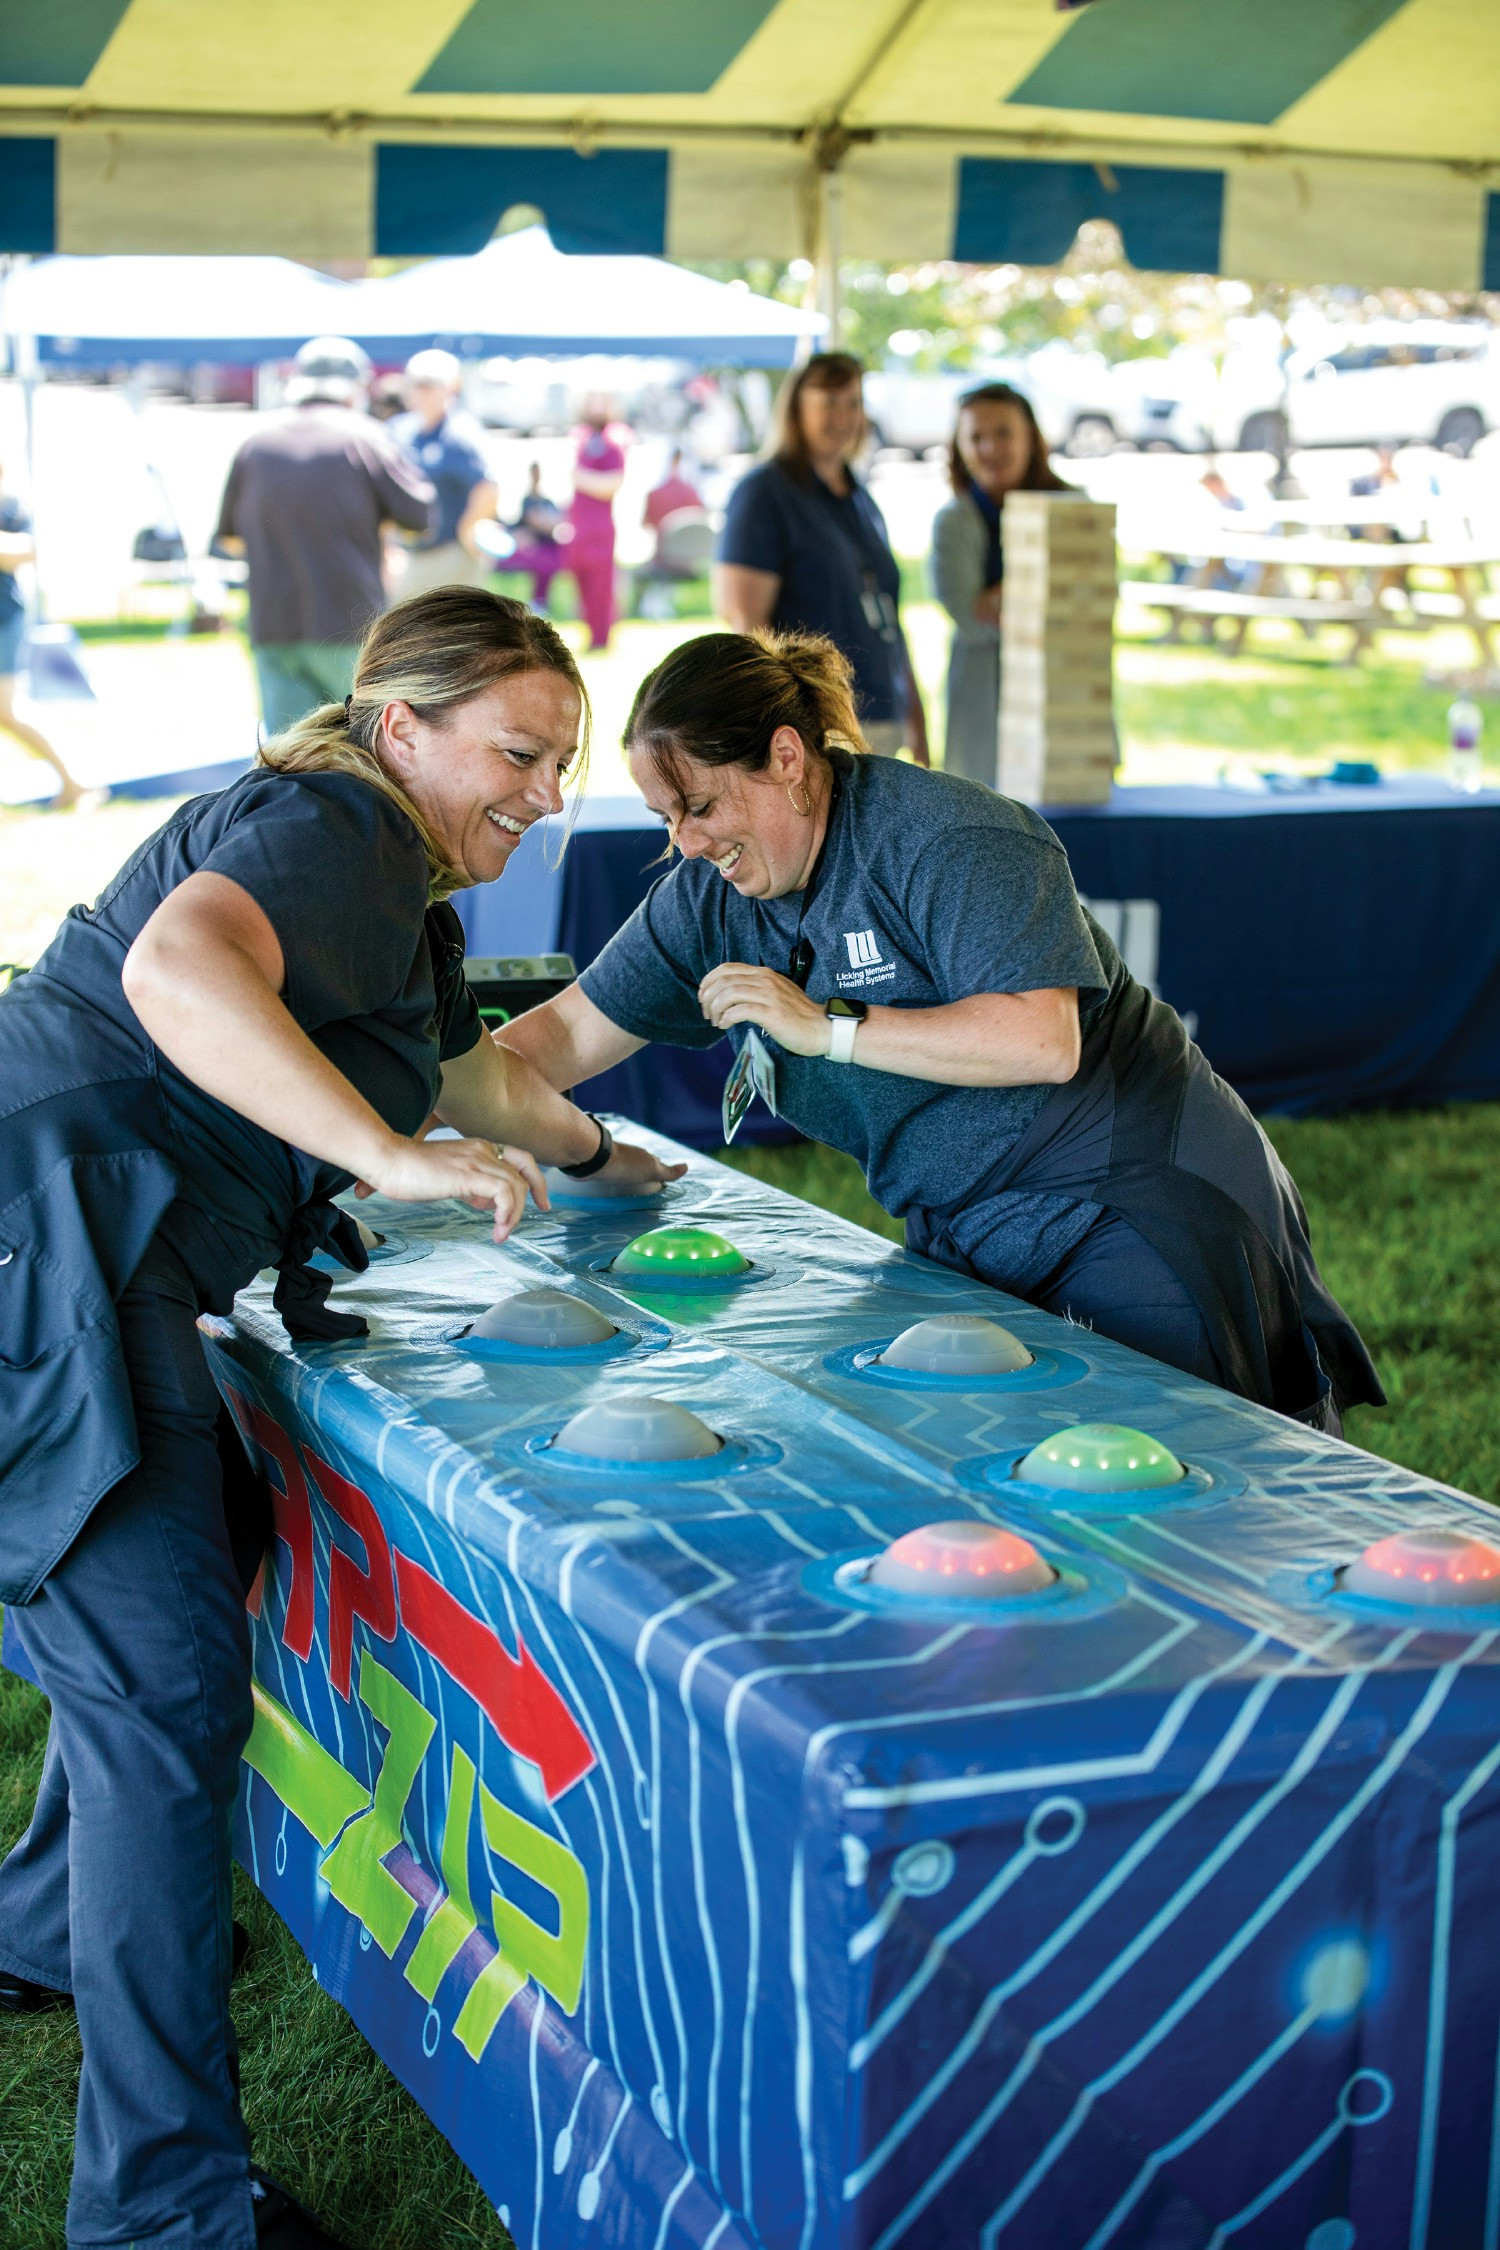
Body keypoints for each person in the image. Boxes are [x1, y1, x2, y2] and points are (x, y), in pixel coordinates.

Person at [0, 588, 681, 2250]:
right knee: (163, 1699)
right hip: (61, 1262)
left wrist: (610, 1165)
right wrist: (383, 1164)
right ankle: (163, 2216)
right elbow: (181, 965)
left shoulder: (402, 905)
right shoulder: (336, 823)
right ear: (402, 727)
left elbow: (474, 1080)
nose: (540, 793)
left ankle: (34, 1928)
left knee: (203, 1546)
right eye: (518, 752)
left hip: (107, 1263)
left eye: (562, 765)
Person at [499, 628, 1383, 1433]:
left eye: (700, 806)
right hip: (959, 1222)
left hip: (1126, 1193)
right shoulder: (708, 898)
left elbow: (1043, 1040)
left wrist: (829, 1028)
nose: (687, 844)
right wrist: (405, 1122)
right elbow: (559, 1042)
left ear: (786, 757)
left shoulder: (947, 837)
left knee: (1190, 1480)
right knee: (1005, 1479)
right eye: (665, 818)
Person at [714, 351, 928, 763]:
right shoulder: (765, 494)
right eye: (828, 402)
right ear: (797, 407)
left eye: (854, 403)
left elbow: (888, 618)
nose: (843, 416)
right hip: (814, 728)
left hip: (881, 717)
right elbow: (745, 622)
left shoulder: (860, 497)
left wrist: (917, 719)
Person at [214, 336, 434, 736]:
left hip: (273, 622)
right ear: (356, 387)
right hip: (349, 624)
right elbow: (419, 518)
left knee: (287, 758)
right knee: (368, 746)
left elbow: (229, 541)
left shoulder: (256, 444)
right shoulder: (366, 437)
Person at [930, 384, 1066, 786]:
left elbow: (1085, 603)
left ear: (1030, 437)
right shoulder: (953, 521)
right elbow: (973, 616)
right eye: (976, 437)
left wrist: (1004, 595)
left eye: (1003, 433)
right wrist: (1042, 587)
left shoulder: (1074, 510)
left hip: (1065, 703)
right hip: (982, 712)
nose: (990, 448)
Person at [0, 457, 83, 807]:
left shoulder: (11, 507)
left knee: (7, 710)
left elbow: (25, 552)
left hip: (3, 616)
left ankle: (75, 781)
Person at [390, 348, 498, 599]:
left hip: (449, 550)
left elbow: (489, 488)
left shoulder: (462, 435)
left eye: (429, 385)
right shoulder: (400, 430)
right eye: (416, 384)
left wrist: (467, 531)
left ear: (452, 387)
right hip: (408, 551)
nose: (421, 392)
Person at [566, 393, 626, 650]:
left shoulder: (614, 440)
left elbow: (613, 483)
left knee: (601, 586)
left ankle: (601, 637)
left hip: (600, 527)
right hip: (579, 525)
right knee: (580, 581)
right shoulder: (580, 438)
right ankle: (590, 633)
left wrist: (581, 478)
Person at [634, 446, 707, 615]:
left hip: (663, 561)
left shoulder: (655, 494)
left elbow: (645, 525)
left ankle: (642, 608)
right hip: (690, 562)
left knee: (636, 574)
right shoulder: (692, 494)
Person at [507, 460, 566, 611]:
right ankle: (538, 601)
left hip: (548, 546)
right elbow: (524, 523)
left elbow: (555, 525)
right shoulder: (526, 501)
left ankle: (541, 601)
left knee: (549, 563)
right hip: (533, 548)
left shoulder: (547, 501)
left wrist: (543, 523)